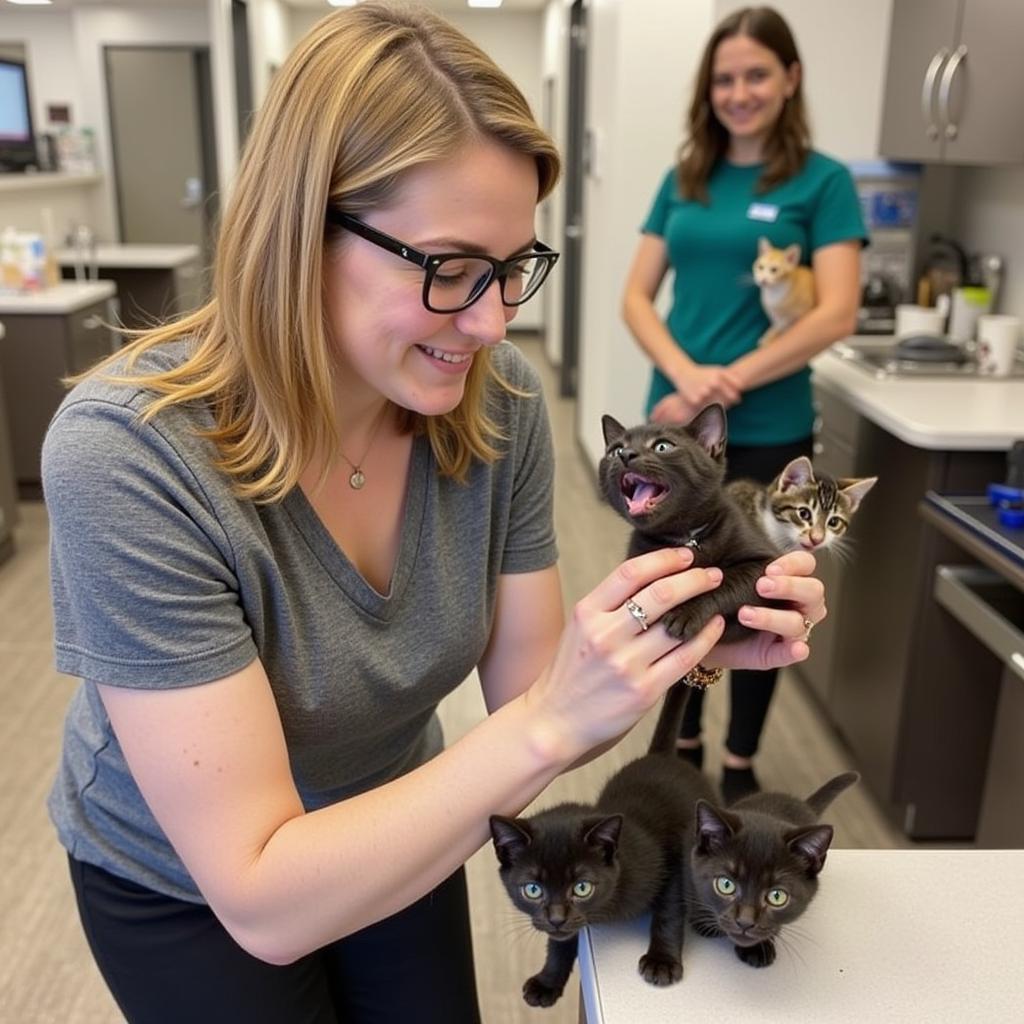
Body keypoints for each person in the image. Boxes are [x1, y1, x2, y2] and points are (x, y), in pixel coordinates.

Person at [43, 3, 825, 1022]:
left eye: (511, 271)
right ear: (303, 226)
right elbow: (265, 897)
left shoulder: (494, 409)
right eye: (451, 268)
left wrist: (697, 634)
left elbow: (530, 698)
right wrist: (549, 719)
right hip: (189, 882)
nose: (494, 320)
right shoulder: (128, 453)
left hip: (403, 807)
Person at [621, 5, 864, 804]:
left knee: (763, 594)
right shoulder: (684, 178)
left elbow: (836, 311)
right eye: (724, 78)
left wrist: (730, 378)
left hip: (766, 434)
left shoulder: (822, 183)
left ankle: (741, 758)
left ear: (790, 79)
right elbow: (636, 297)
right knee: (678, 584)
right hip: (675, 439)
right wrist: (687, 373)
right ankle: (682, 736)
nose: (739, 91)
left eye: (757, 73)